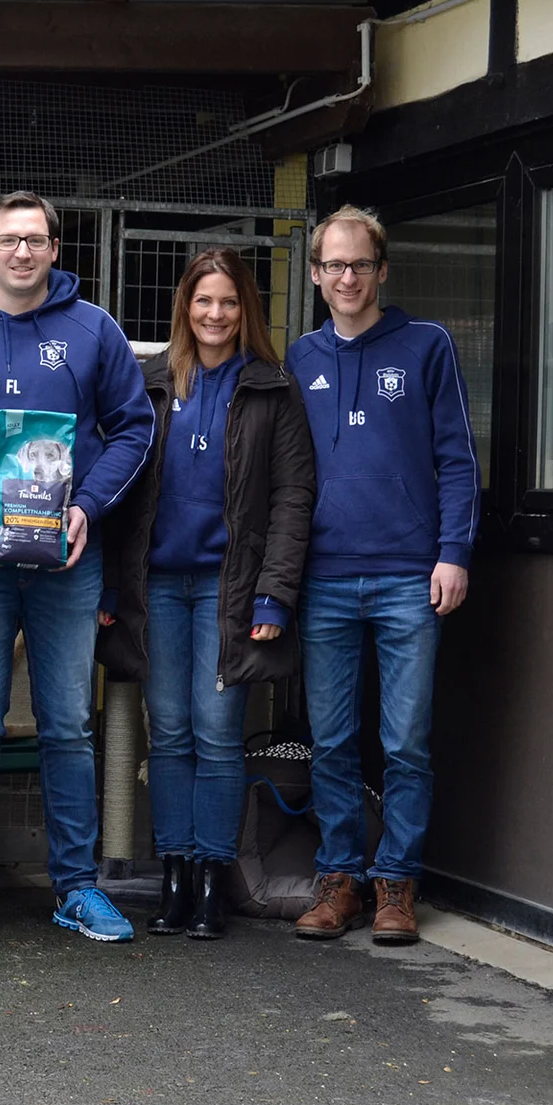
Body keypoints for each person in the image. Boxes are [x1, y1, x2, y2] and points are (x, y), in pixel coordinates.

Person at [0, 190, 154, 944]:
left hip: (69, 558)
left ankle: (76, 887)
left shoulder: (92, 330)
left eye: (36, 240)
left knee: (68, 726)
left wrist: (88, 508)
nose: (22, 252)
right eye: (8, 240)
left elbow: (133, 427)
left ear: (54, 249)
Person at [96, 247, 315, 939]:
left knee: (217, 737)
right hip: (155, 586)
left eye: (228, 302)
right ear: (184, 308)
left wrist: (274, 598)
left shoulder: (271, 389)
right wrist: (106, 585)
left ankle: (216, 879)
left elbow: (293, 499)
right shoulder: (150, 385)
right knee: (170, 736)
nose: (215, 314)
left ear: (244, 308)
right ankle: (175, 878)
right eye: (203, 301)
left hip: (232, 591)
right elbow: (117, 490)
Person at [286, 204, 479, 946]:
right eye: (332, 264)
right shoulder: (300, 358)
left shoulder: (426, 346)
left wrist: (453, 553)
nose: (346, 277)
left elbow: (459, 458)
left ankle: (397, 884)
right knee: (331, 740)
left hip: (409, 575)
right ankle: (340, 880)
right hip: (325, 576)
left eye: (359, 264)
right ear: (314, 274)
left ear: (381, 269)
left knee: (405, 741)